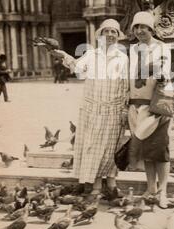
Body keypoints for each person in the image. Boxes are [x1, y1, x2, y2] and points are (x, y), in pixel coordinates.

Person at [51, 19, 129, 197]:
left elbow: (125, 86)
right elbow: (78, 70)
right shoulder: (92, 55)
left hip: (114, 110)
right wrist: (64, 55)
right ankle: (95, 186)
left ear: (118, 36)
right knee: (93, 147)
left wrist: (125, 110)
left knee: (111, 148)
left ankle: (111, 183)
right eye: (106, 31)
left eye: (114, 32)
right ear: (100, 35)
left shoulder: (123, 58)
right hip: (92, 109)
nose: (110, 34)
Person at [128, 11, 172, 209]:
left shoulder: (162, 47)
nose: (139, 31)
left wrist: (151, 67)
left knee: (160, 150)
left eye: (143, 27)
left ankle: (163, 191)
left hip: (157, 105)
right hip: (136, 105)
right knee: (146, 150)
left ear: (151, 29)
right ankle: (151, 189)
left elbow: (165, 72)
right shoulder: (131, 50)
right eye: (136, 27)